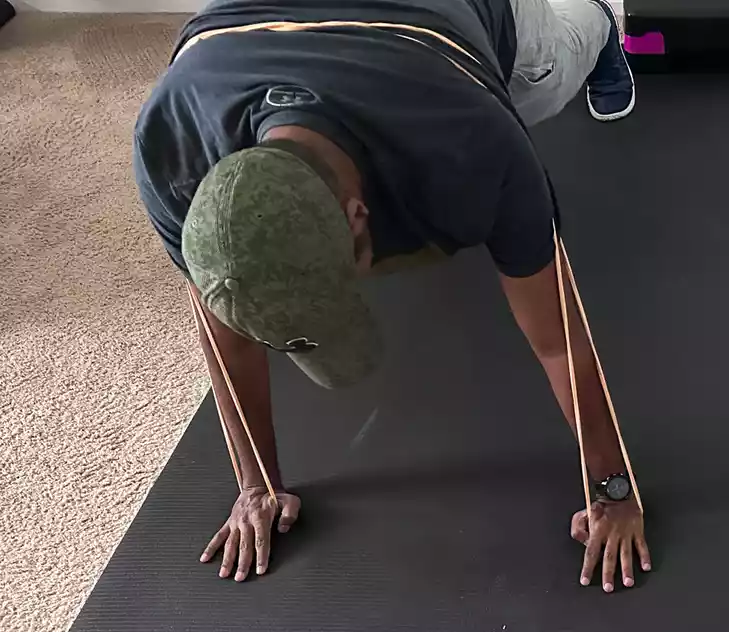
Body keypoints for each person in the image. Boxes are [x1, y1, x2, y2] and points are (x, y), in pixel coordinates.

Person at [132, 0, 650, 593]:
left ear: (360, 218)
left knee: (551, 70)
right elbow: (226, 333)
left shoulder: (472, 138)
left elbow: (558, 340)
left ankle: (601, 20)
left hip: (449, 23)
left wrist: (614, 489)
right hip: (262, 33)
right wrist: (257, 486)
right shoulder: (172, 154)